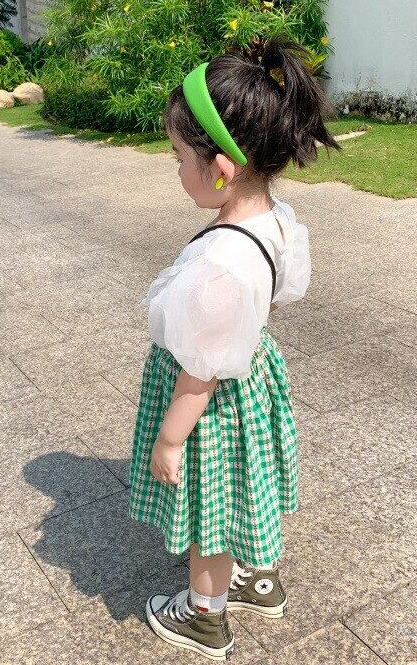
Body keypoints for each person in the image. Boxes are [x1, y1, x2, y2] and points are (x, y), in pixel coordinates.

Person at [129, 40, 339, 660]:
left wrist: (171, 439)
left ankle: (205, 616)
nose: (176, 169)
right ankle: (257, 581)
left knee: (208, 518)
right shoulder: (272, 219)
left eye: (179, 157)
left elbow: (200, 372)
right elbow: (278, 294)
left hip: (209, 403)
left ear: (220, 168)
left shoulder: (219, 267)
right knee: (246, 488)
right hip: (251, 382)